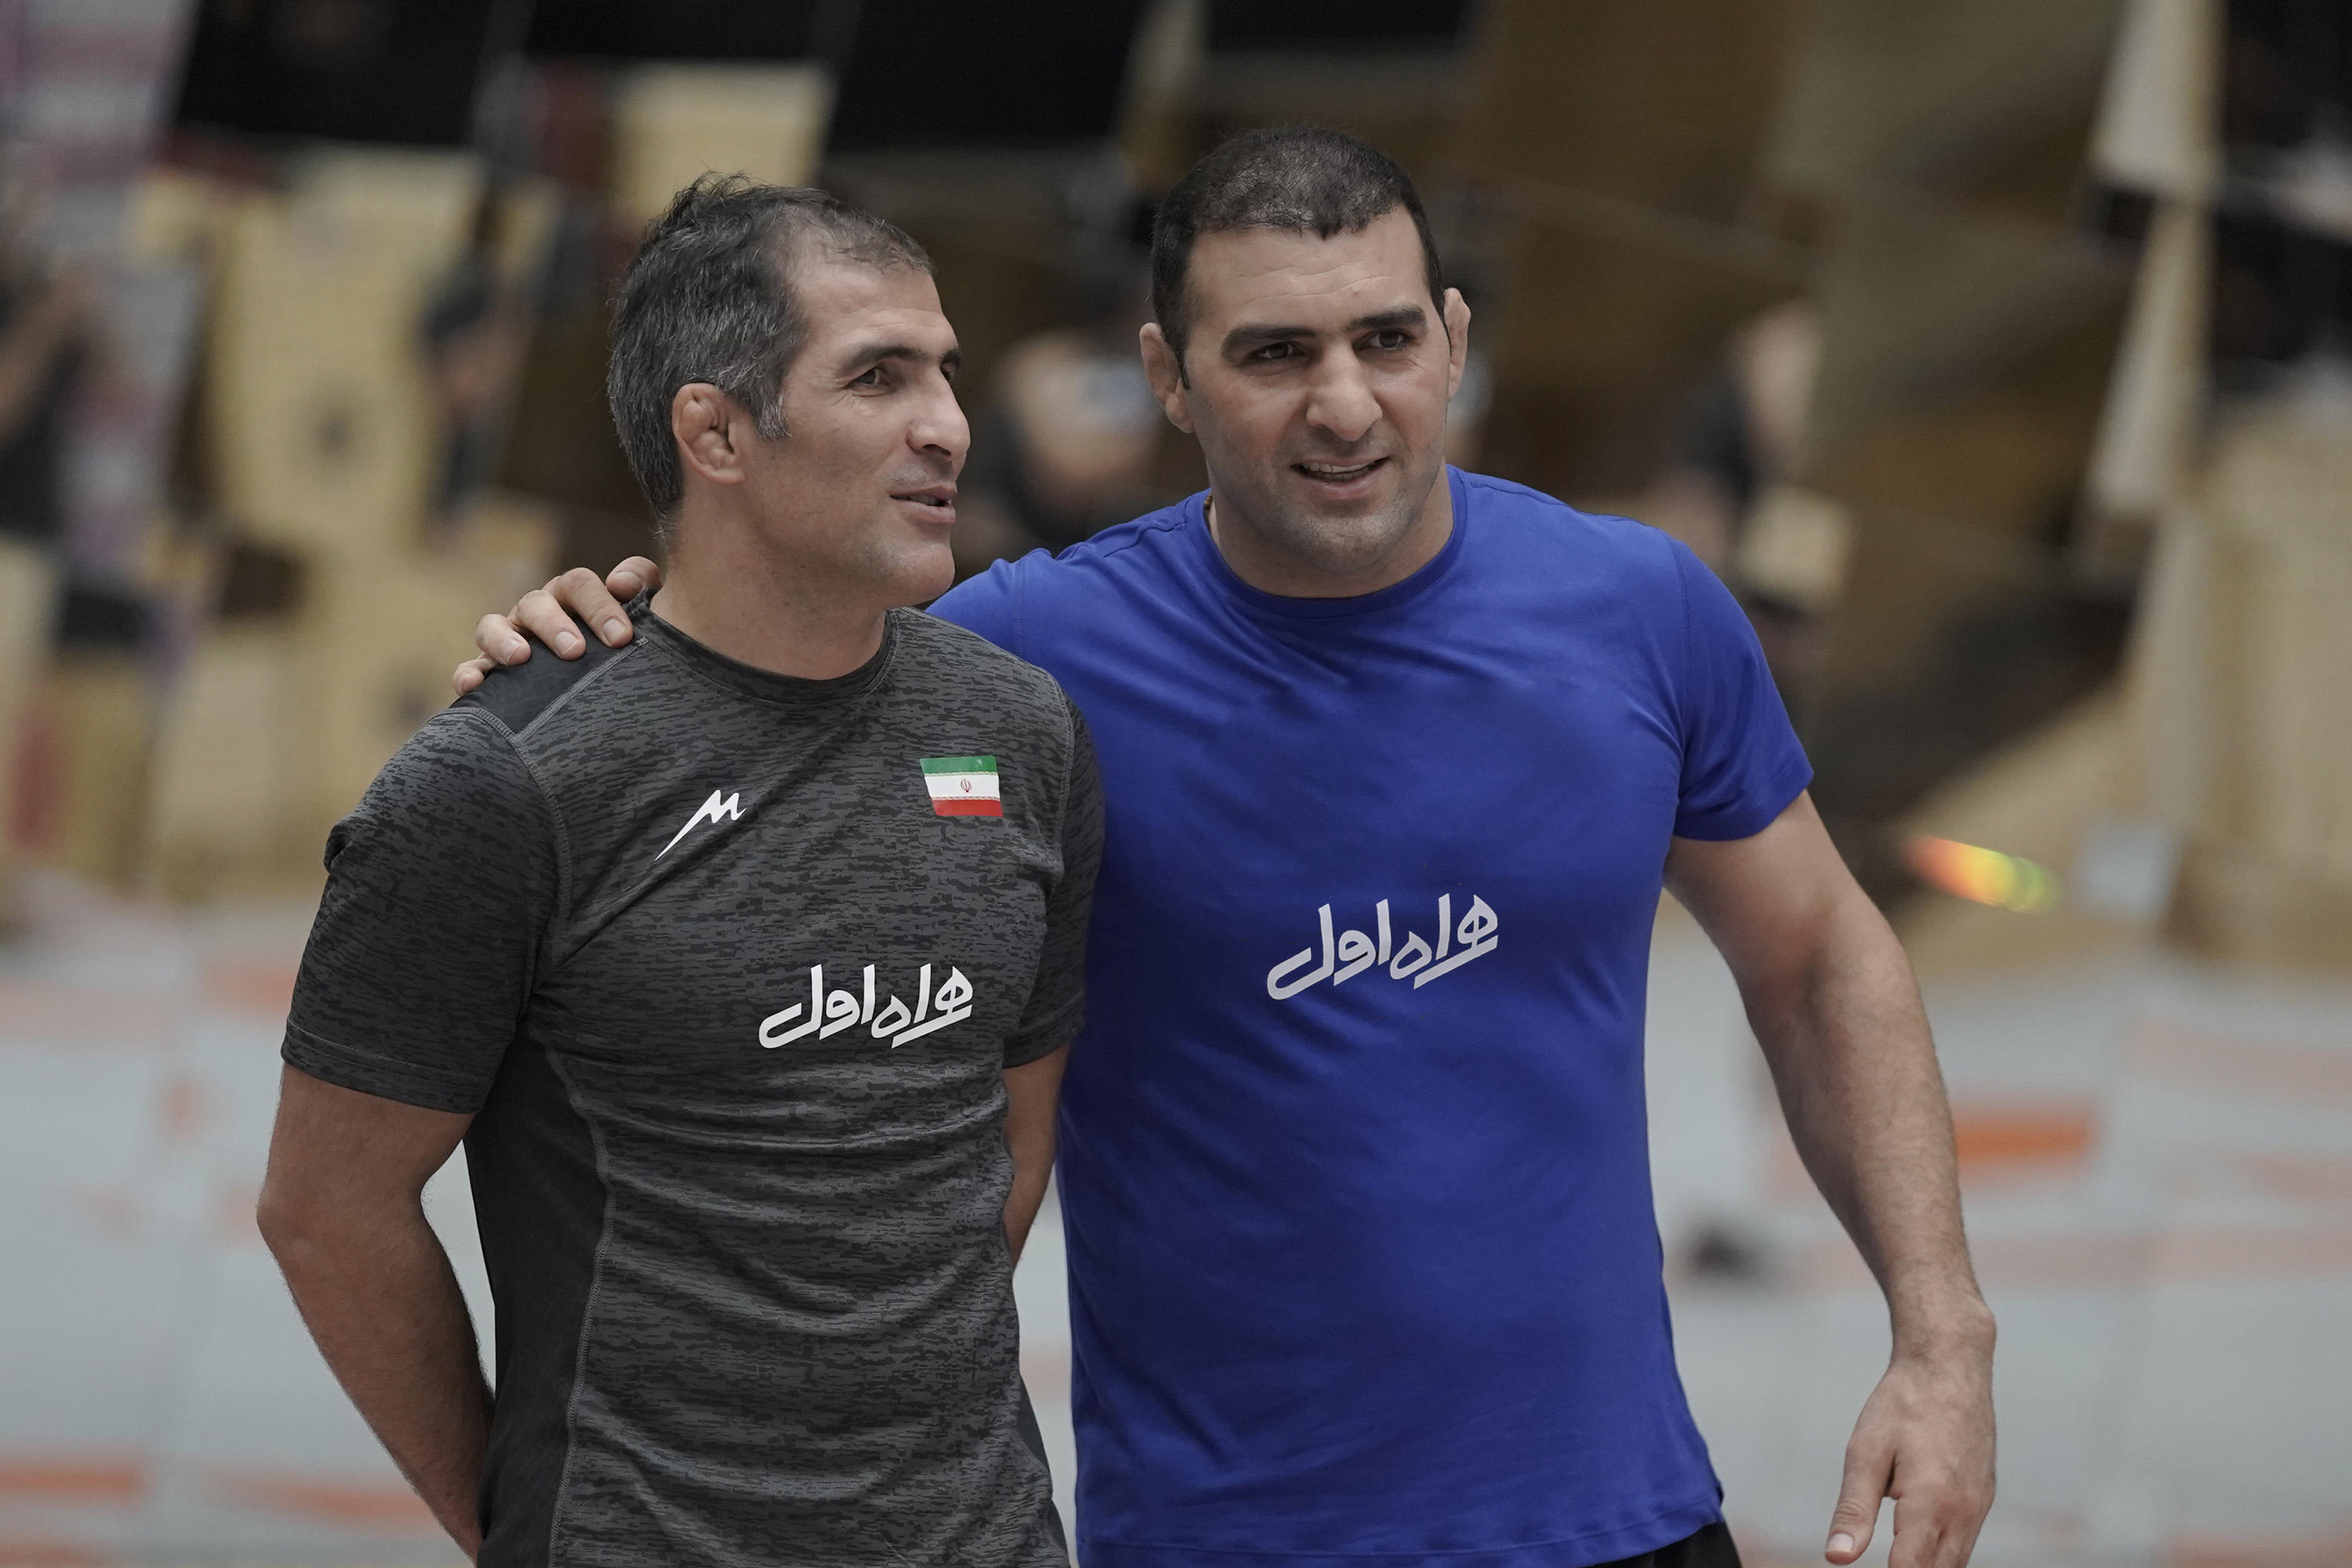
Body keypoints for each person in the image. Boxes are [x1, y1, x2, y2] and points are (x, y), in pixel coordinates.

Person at [461, 129, 1996, 1568]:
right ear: (1170, 380)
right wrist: (581, 640)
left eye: (1387, 340)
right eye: (1274, 354)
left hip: (1625, 1522)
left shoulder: (1638, 611)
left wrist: (1943, 1340)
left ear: (1454, 341)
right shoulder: (1028, 662)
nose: (1346, 405)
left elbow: (1817, 958)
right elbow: (741, 681)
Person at [260, 179, 1102, 1567]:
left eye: (946, 372)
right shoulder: (506, 781)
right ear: (715, 432)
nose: (948, 424)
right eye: (878, 377)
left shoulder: (1021, 734)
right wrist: (528, 1521)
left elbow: (1003, 1143)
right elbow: (324, 1210)